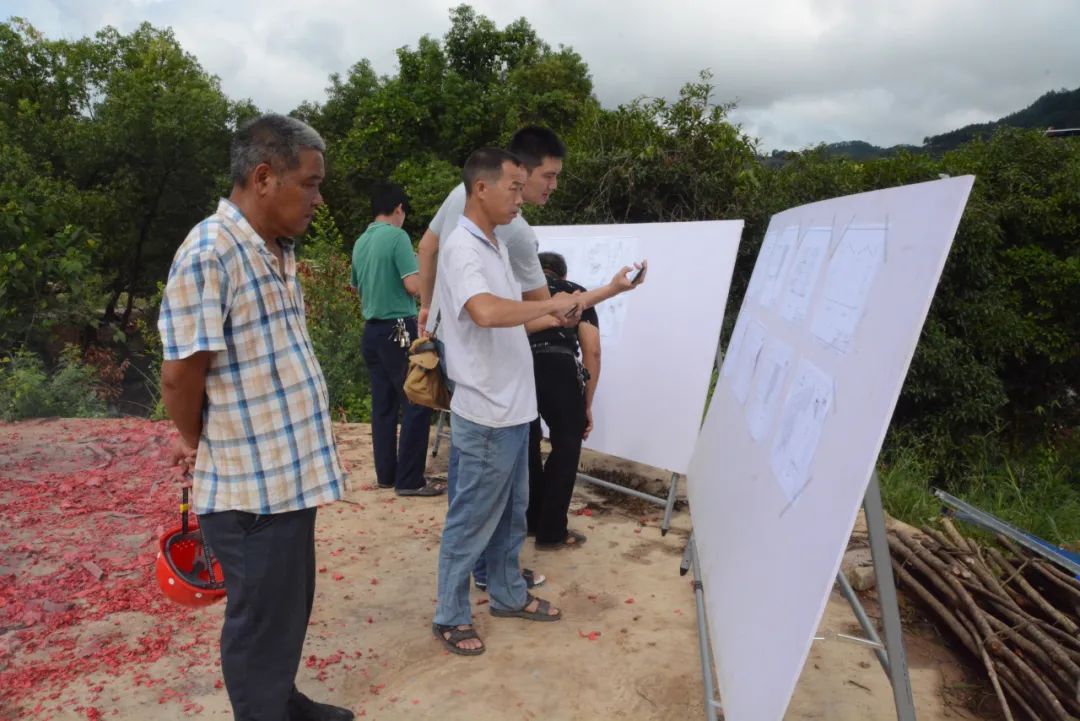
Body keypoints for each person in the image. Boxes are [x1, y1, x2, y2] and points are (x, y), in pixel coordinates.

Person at [158, 114, 353, 721]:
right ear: (264, 177)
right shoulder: (210, 252)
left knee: (287, 608)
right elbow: (180, 374)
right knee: (257, 620)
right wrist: (193, 439)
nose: (320, 199)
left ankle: (284, 701)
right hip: (248, 490)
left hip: (288, 478)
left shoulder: (277, 248)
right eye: (312, 184)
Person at [417, 126, 643, 588]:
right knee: (485, 484)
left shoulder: (483, 224)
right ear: (500, 179)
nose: (546, 189)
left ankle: (492, 573)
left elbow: (427, 248)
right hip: (485, 378)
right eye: (543, 178)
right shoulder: (506, 236)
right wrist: (578, 298)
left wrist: (428, 310)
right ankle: (477, 579)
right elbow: (527, 310)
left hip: (473, 365)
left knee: (487, 482)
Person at [431, 147, 581, 656]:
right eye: (514, 188)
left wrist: (562, 310)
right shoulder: (463, 249)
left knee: (512, 517)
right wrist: (545, 306)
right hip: (488, 412)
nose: (522, 198)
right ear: (482, 188)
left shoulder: (493, 245)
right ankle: (450, 615)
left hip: (516, 409)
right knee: (472, 519)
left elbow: (519, 317)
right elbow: (486, 312)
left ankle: (507, 595)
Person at [350, 182, 442, 497]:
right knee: (417, 399)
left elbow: (356, 285)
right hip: (398, 327)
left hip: (372, 330)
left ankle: (387, 474)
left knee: (384, 406)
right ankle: (410, 480)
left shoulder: (361, 241)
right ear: (398, 209)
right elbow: (413, 286)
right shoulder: (397, 237)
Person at [526, 252, 602, 551]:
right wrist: (586, 404)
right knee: (566, 446)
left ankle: (530, 520)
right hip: (559, 366)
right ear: (562, 273)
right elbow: (592, 351)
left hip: (521, 368)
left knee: (527, 444)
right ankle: (552, 532)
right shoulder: (576, 293)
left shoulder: (519, 292)